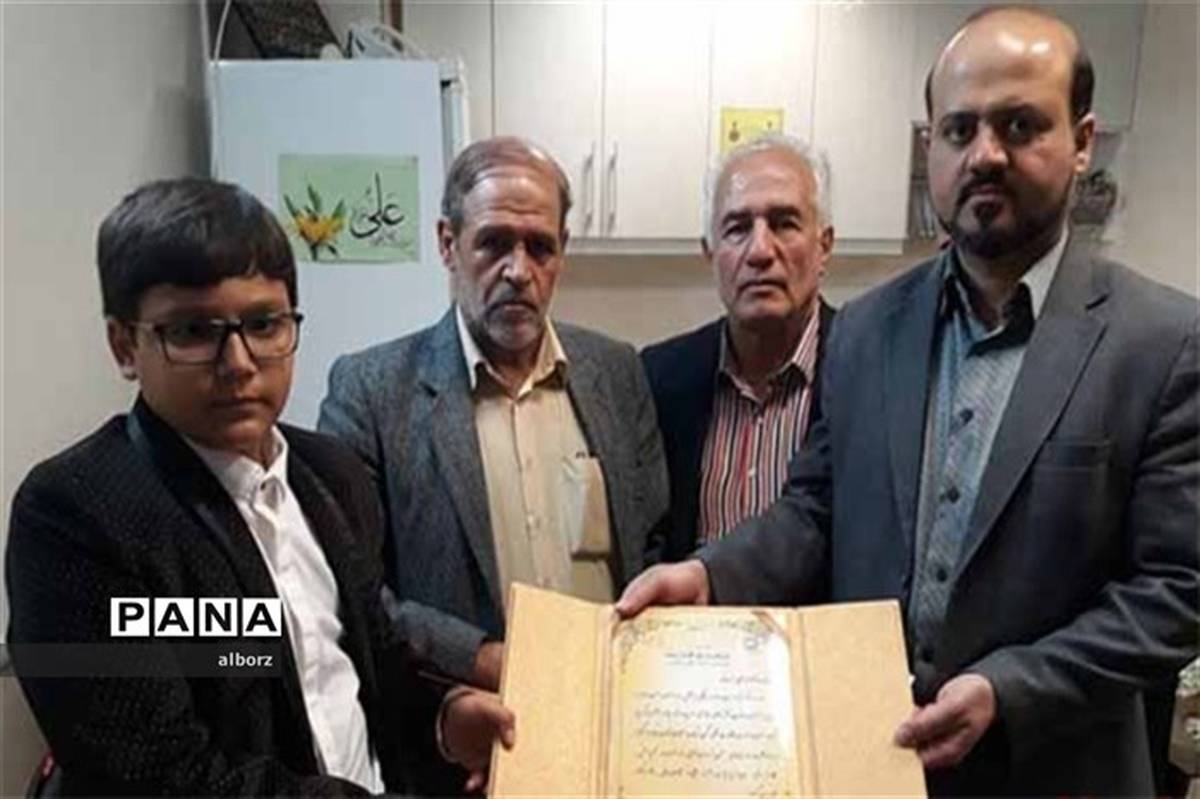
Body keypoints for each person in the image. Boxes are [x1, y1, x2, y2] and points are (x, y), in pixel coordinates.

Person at [617, 7, 1199, 794]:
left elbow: (1177, 589)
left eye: (1020, 125)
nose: (985, 153)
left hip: (1058, 772)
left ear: (1083, 140)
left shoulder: (1163, 342)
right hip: (873, 764)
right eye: (959, 129)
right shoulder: (867, 330)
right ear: (933, 148)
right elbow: (815, 510)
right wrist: (709, 574)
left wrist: (1009, 689)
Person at [6, 178, 512, 796]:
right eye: (194, 332)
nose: (239, 362)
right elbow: (161, 777)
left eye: (264, 323)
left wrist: (443, 722)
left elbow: (363, 664)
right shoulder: (76, 513)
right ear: (124, 345)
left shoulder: (332, 476)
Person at [318, 135, 668, 689]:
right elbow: (353, 583)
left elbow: (653, 539)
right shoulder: (372, 391)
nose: (518, 271)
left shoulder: (616, 372)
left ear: (562, 250)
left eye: (540, 247)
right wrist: (481, 661)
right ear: (448, 243)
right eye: (494, 243)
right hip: (463, 714)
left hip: (608, 696)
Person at [641, 134, 835, 563]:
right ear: (709, 253)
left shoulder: (868, 373)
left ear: (824, 246)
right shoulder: (658, 379)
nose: (760, 251)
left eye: (784, 223)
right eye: (737, 228)